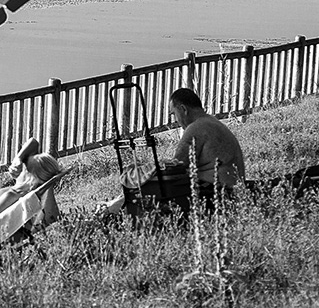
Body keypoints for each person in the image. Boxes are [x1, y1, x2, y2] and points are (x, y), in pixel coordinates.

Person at [99, 86, 246, 216]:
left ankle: (112, 211)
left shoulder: (196, 128)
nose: (176, 120)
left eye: (174, 114)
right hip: (233, 188)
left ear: (183, 109)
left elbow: (177, 166)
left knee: (150, 186)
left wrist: (148, 169)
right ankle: (114, 206)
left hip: (216, 190)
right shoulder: (212, 122)